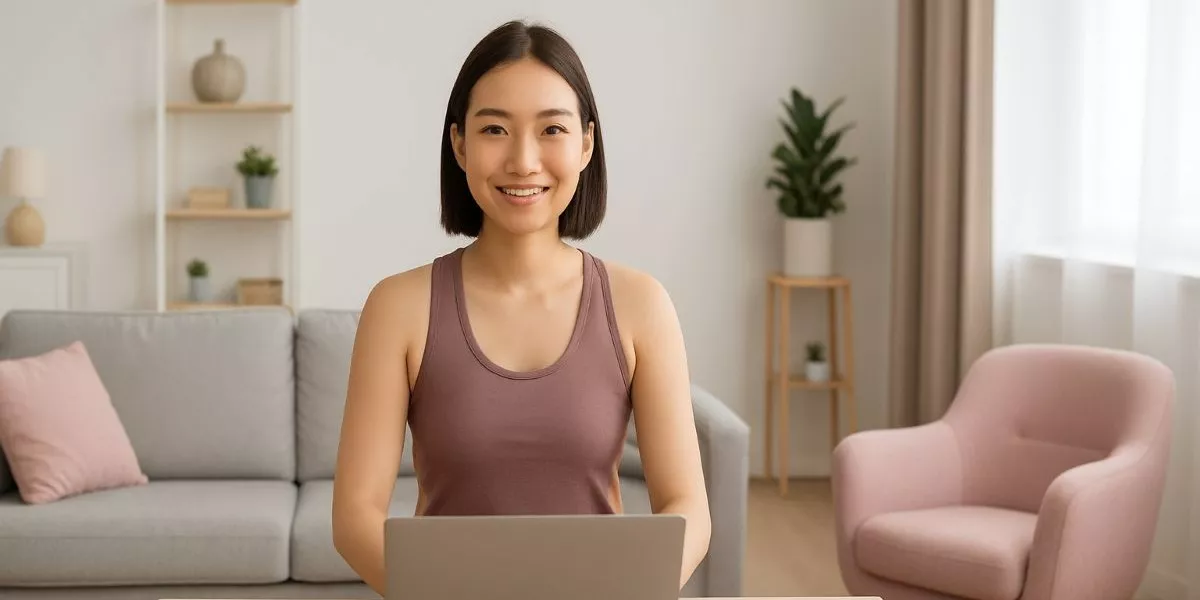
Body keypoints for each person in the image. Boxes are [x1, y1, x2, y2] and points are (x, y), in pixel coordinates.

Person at [331, 19, 711, 597]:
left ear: (586, 143)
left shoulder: (640, 305)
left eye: (551, 129)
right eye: (494, 130)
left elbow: (689, 508)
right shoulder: (398, 307)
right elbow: (355, 516)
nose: (523, 161)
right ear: (459, 143)